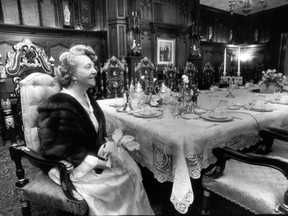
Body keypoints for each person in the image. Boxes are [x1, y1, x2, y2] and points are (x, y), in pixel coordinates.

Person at [37, 45, 154, 215]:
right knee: (122, 179)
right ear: (73, 75)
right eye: (88, 67)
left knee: (130, 170)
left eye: (93, 66)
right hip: (70, 168)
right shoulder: (58, 105)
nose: (95, 71)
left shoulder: (87, 97)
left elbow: (91, 135)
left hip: (89, 158)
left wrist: (105, 149)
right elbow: (55, 150)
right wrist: (102, 163)